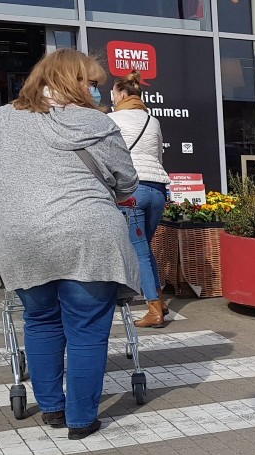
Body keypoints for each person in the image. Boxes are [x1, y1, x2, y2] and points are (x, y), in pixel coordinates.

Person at [0, 48, 139, 440]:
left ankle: (51, 407)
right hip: (89, 234)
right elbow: (128, 182)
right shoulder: (98, 124)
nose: (97, 91)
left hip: (21, 237)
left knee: (39, 320)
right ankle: (81, 418)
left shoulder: (1, 118)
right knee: (86, 328)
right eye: (92, 82)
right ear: (73, 81)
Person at [109, 70, 171, 328]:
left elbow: (109, 157)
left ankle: (154, 309)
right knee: (144, 249)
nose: (111, 98)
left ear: (122, 94)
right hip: (157, 190)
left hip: (132, 190)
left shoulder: (111, 119)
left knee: (140, 251)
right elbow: (158, 154)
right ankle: (159, 301)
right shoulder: (152, 120)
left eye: (113, 93)